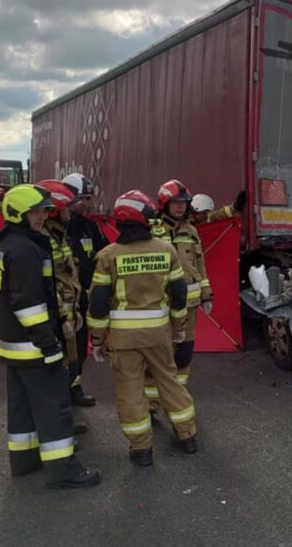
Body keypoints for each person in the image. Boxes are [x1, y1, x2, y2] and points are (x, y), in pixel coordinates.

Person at [0, 184, 100, 488]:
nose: (42, 216)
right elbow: (28, 305)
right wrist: (49, 345)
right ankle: (64, 470)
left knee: (22, 406)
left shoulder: (6, 244)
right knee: (55, 405)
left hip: (14, 345)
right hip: (34, 345)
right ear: (18, 214)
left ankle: (24, 461)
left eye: (43, 211)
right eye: (35, 211)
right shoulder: (25, 251)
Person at [88, 190, 197, 466]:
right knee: (170, 382)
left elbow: (98, 303)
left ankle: (142, 450)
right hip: (160, 336)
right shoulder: (166, 250)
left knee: (130, 391)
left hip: (124, 342)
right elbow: (179, 294)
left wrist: (98, 340)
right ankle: (187, 436)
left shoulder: (107, 256)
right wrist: (179, 327)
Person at [147, 180, 209, 403]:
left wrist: (206, 293)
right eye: (175, 203)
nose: (180, 207)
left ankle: (179, 396)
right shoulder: (151, 231)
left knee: (183, 355)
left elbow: (199, 264)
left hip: (189, 306)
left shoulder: (191, 231)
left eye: (183, 202)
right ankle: (152, 403)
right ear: (164, 204)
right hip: (160, 304)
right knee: (158, 354)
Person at [37, 180, 86, 421]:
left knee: (69, 367)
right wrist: (63, 316)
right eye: (67, 207)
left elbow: (67, 275)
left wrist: (73, 311)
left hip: (67, 312)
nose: (71, 211)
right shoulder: (44, 238)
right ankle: (58, 424)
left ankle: (65, 418)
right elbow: (48, 283)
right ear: (55, 210)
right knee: (57, 371)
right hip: (56, 316)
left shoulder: (58, 235)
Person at [62, 172, 108, 407]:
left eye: (88, 199)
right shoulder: (59, 227)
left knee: (80, 347)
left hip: (84, 301)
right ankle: (60, 394)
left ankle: (74, 388)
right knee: (62, 351)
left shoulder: (91, 227)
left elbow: (107, 252)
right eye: (81, 198)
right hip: (63, 303)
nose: (85, 203)